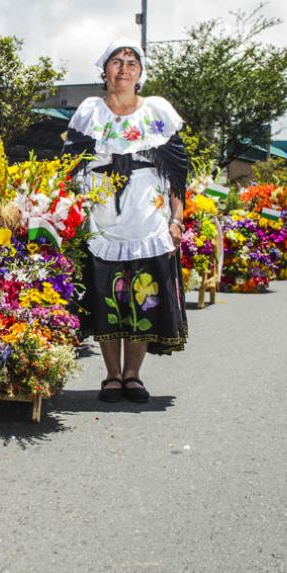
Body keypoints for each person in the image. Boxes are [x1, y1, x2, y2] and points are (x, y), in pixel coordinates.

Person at [63, 38, 189, 403]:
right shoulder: (90, 111)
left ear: (140, 73)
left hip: (148, 220)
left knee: (142, 301)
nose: (123, 67)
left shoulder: (157, 111)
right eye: (116, 61)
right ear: (105, 72)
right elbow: (69, 168)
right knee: (107, 300)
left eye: (131, 62)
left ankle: (133, 375)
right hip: (101, 221)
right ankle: (111, 375)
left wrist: (176, 219)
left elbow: (177, 174)